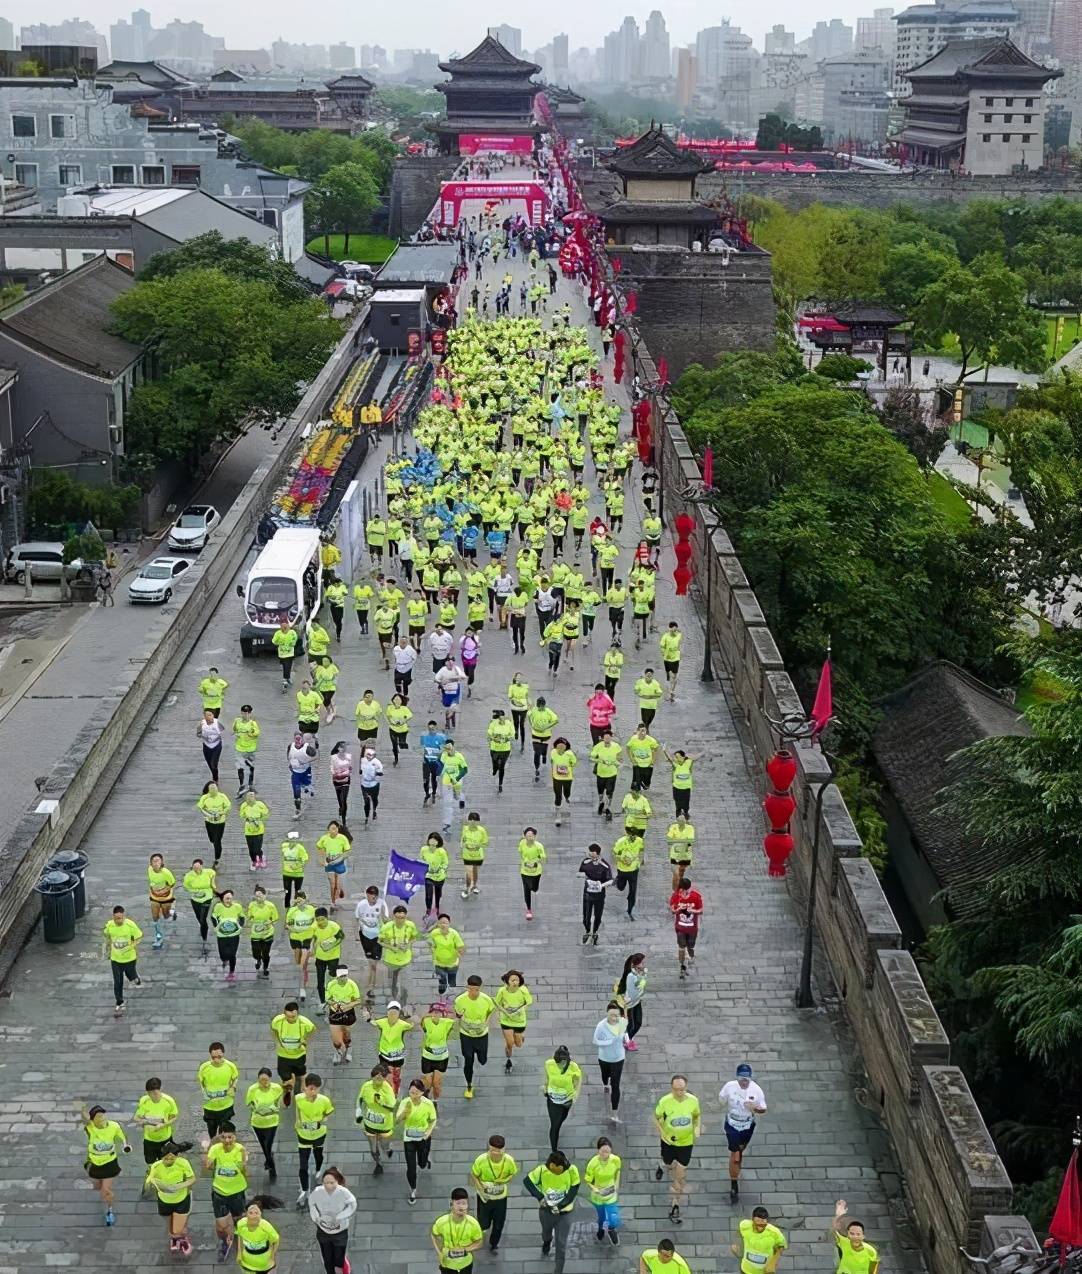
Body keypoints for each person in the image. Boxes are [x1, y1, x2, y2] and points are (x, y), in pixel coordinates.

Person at [653, 1074, 702, 1224]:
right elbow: (656, 1117)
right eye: (676, 1090)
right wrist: (662, 1133)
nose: (679, 1093)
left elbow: (697, 1116)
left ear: (686, 1088)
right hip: (668, 1143)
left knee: (679, 1175)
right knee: (669, 1164)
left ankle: (675, 1202)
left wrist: (697, 1128)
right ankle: (662, 1164)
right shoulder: (665, 1102)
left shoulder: (693, 1101)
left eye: (682, 1089)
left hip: (686, 1144)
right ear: (671, 1088)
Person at [524, 1151, 580, 1274]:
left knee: (561, 1245)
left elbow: (574, 1189)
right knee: (546, 1232)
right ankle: (546, 1242)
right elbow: (527, 1181)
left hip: (565, 1214)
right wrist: (540, 1197)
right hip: (546, 1212)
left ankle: (558, 1270)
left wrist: (561, 1205)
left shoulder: (572, 1170)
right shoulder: (541, 1170)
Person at [720, 1063, 768, 1202]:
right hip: (732, 1124)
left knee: (741, 1149)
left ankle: (737, 1157)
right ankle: (734, 1183)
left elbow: (763, 1109)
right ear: (737, 1077)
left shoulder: (756, 1090)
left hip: (747, 1125)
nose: (744, 1081)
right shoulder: (729, 1087)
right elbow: (721, 1099)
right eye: (741, 1078)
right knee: (735, 1154)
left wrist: (755, 1108)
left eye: (747, 1079)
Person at [81, 1103, 130, 1225]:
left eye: (103, 1116)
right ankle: (103, 1190)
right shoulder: (90, 1128)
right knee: (97, 1187)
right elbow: (84, 1117)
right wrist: (81, 1106)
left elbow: (122, 1138)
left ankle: (109, 1210)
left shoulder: (114, 1126)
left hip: (110, 1163)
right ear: (93, 1120)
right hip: (94, 1164)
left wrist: (125, 1145)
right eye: (98, 1117)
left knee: (105, 1190)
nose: (102, 1119)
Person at [144, 1141, 197, 1254]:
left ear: (177, 1156)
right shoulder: (156, 1166)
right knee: (170, 1226)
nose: (168, 1161)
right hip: (164, 1200)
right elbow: (149, 1180)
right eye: (165, 1159)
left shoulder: (183, 1163)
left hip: (181, 1199)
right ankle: (174, 1239)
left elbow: (192, 1179)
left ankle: (182, 1239)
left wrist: (179, 1186)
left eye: (171, 1159)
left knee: (179, 1228)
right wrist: (153, 1183)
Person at [205, 1123, 248, 1260]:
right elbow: (208, 1165)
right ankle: (225, 1240)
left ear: (235, 1136)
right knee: (222, 1225)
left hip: (237, 1192)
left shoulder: (240, 1149)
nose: (228, 1140)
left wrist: (242, 1164)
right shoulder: (215, 1149)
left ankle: (239, 1233)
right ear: (220, 1137)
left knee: (239, 1218)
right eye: (224, 1137)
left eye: (230, 1137)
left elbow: (243, 1168)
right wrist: (210, 1161)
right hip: (219, 1192)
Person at [470, 1134, 518, 1254]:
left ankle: (494, 1243)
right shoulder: (481, 1160)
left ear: (504, 1149)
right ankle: (480, 1233)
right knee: (483, 1222)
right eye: (493, 1150)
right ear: (489, 1148)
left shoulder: (509, 1160)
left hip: (500, 1197)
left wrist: (504, 1180)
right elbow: (474, 1175)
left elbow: (512, 1173)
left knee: (499, 1223)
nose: (496, 1153)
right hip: (484, 1196)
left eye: (498, 1151)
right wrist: (480, 1187)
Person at [294, 1073, 334, 1204]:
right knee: (303, 1166)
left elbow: (328, 1113)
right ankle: (304, 1190)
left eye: (316, 1088)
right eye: (310, 1088)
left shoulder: (324, 1100)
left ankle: (318, 1170)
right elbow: (297, 1112)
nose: (313, 1091)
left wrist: (322, 1121)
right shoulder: (298, 1098)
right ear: (305, 1087)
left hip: (318, 1134)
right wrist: (298, 1122)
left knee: (318, 1155)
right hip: (303, 1135)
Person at [397, 1078, 438, 1204]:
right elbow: (397, 1120)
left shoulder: (428, 1104)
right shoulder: (405, 1102)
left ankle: (425, 1160)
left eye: (416, 1093)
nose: (413, 1095)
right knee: (411, 1167)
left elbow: (433, 1120)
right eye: (411, 1092)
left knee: (421, 1163)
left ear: (422, 1093)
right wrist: (405, 1112)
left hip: (423, 1137)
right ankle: (413, 1189)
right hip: (409, 1138)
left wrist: (428, 1133)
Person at [455, 974, 496, 1100]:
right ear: (467, 987)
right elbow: (458, 1014)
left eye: (476, 989)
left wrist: (486, 1022)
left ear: (480, 988)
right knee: (468, 1059)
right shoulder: (460, 1000)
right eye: (471, 989)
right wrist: (460, 1017)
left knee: (482, 1059)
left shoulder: (486, 1000)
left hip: (481, 1034)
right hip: (466, 1034)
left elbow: (491, 1011)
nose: (473, 992)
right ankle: (469, 1085)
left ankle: (481, 1056)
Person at [309, 1167, 356, 1274]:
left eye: (331, 1182)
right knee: (327, 1258)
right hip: (323, 1231)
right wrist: (316, 1217)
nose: (328, 1186)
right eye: (326, 1182)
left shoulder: (344, 1193)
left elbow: (353, 1205)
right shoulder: (317, 1192)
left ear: (337, 1182)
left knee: (339, 1258)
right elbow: (312, 1205)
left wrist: (341, 1216)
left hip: (340, 1232)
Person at [364, 998, 415, 1095]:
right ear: (388, 1012)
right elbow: (374, 1023)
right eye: (391, 1012)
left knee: (396, 1075)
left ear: (398, 1013)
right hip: (384, 1055)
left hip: (398, 1056)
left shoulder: (402, 1024)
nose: (393, 1014)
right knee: (389, 1076)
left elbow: (412, 1025)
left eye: (395, 1012)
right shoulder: (382, 1022)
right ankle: (391, 1094)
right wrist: (368, 1018)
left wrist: (410, 1016)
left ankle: (395, 1088)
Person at [431, 1187, 484, 1274]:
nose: (461, 1207)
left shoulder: (473, 1224)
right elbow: (434, 1235)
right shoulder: (442, 1222)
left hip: (466, 1264)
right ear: (451, 1204)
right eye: (458, 1203)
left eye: (464, 1203)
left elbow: (479, 1242)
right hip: (447, 1264)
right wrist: (439, 1253)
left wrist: (465, 1250)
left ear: (467, 1205)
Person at [356, 1063, 397, 1175]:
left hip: (385, 1125)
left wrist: (381, 1103)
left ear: (384, 1078)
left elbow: (392, 1106)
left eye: (381, 1076)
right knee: (373, 1147)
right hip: (370, 1124)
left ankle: (387, 1149)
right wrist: (358, 1113)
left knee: (384, 1145)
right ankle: (378, 1163)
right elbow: (360, 1100)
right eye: (376, 1076)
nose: (378, 1078)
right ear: (372, 1076)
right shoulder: (366, 1086)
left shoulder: (387, 1089)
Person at [593, 1001, 629, 1123]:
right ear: (607, 1013)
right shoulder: (601, 1026)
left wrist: (626, 1040)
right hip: (604, 1058)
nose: (614, 1018)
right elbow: (595, 1041)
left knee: (616, 1085)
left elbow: (625, 1034)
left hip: (618, 1058)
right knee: (605, 1076)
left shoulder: (622, 1023)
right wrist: (609, 1042)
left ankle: (615, 1113)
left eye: (616, 1015)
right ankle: (605, 1084)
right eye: (611, 1015)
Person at [542, 1044, 582, 1153]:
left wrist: (575, 1096)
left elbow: (578, 1082)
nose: (561, 1065)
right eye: (559, 1062)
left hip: (567, 1100)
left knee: (563, 1117)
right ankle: (554, 1149)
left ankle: (558, 1124)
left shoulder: (573, 1067)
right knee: (555, 1125)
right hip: (553, 1100)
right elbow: (547, 1078)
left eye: (563, 1062)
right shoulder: (549, 1064)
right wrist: (545, 1088)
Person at [245, 1067, 283, 1178]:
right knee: (263, 1145)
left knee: (268, 1144)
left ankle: (270, 1165)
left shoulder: (277, 1088)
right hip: (257, 1122)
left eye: (266, 1080)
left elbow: (280, 1103)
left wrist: (272, 1108)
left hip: (272, 1121)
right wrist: (256, 1108)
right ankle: (269, 1159)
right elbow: (249, 1103)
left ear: (270, 1079)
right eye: (261, 1080)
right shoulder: (253, 1089)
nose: (263, 1082)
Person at [585, 1136, 622, 1246]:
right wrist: (595, 1189)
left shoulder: (616, 1160)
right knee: (600, 1217)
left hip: (611, 1192)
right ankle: (600, 1228)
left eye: (608, 1151)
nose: (606, 1154)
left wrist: (616, 1185)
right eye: (603, 1151)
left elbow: (618, 1172)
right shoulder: (593, 1163)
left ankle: (611, 1229)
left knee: (614, 1217)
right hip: (598, 1195)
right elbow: (588, 1180)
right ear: (598, 1151)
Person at [134, 1077, 179, 1164]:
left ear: (160, 1090)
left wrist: (163, 1125)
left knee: (166, 1160)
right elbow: (137, 1117)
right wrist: (141, 1121)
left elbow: (174, 1118)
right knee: (150, 1161)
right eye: (150, 1093)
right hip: (149, 1139)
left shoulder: (169, 1101)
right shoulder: (144, 1100)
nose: (153, 1096)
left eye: (155, 1093)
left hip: (165, 1138)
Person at [354, 884, 388, 999]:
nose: (373, 897)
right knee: (370, 962)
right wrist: (356, 934)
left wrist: (383, 914)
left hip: (377, 937)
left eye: (375, 895)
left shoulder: (382, 904)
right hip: (365, 936)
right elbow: (357, 919)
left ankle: (371, 987)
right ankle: (370, 985)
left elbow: (386, 921)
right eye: (371, 894)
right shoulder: (361, 905)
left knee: (374, 964)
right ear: (367, 895)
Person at [380, 905, 418, 1004]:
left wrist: (408, 945)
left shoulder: (411, 925)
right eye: (398, 918)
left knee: (405, 984)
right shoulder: (386, 927)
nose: (400, 920)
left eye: (402, 918)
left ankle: (404, 1004)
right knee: (393, 982)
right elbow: (380, 941)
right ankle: (394, 1001)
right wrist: (391, 947)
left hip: (406, 960)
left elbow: (414, 937)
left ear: (406, 917)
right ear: (394, 917)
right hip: (391, 960)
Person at [419, 1001, 456, 1104]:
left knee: (436, 1084)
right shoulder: (427, 1022)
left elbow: (456, 1016)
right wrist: (428, 1014)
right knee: (428, 1082)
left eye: (438, 1012)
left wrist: (447, 1009)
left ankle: (435, 1101)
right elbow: (421, 1021)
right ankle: (425, 1094)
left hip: (442, 1057)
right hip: (427, 1056)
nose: (436, 1015)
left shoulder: (446, 1022)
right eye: (434, 1012)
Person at [578, 842, 614, 945]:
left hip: (599, 895)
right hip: (587, 894)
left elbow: (611, 880)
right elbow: (579, 872)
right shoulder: (585, 862)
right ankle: (588, 931)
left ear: (597, 854)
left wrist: (601, 885)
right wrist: (584, 876)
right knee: (586, 916)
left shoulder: (605, 865)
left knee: (598, 916)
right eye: (590, 852)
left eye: (592, 852)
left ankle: (595, 932)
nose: (590, 854)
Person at [733, 1206, 787, 1273]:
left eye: (763, 1225)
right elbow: (739, 1232)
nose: (760, 1228)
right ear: (752, 1220)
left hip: (765, 1271)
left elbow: (781, 1246)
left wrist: (773, 1262)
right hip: (746, 1270)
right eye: (757, 1225)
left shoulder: (775, 1233)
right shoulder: (744, 1225)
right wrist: (736, 1243)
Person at [831, 1199, 879, 1274]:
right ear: (848, 1235)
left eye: (858, 1234)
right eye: (852, 1234)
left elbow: (873, 1269)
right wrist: (839, 1215)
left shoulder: (871, 1251)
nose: (855, 1237)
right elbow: (836, 1229)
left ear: (863, 1236)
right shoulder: (845, 1243)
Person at [325, 966, 361, 1064]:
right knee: (335, 1038)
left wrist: (347, 1006)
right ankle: (338, 1052)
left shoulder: (352, 985)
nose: (343, 978)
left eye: (345, 976)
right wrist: (334, 1005)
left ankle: (349, 1048)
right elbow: (328, 999)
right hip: (335, 1013)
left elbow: (358, 1000)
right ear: (337, 977)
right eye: (341, 976)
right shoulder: (331, 985)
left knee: (346, 1034)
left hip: (348, 1013)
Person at [669, 878, 704, 979]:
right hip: (680, 927)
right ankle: (682, 966)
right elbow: (672, 910)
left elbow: (701, 910)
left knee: (690, 946)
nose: (686, 892)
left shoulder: (696, 896)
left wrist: (692, 910)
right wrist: (678, 909)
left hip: (692, 928)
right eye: (684, 890)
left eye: (687, 890)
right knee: (681, 946)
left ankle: (689, 958)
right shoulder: (676, 896)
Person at [312, 907, 346, 1010]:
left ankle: (333, 996)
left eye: (322, 919)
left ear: (327, 918)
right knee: (320, 981)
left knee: (332, 977)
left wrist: (331, 946)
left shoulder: (334, 927)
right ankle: (322, 1002)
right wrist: (313, 950)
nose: (320, 922)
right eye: (318, 920)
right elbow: (314, 940)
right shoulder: (314, 927)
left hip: (333, 956)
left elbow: (341, 937)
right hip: (320, 957)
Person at [285, 891, 316, 1002]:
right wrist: (293, 929)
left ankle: (302, 987)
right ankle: (302, 971)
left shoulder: (311, 909)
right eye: (297, 899)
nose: (300, 901)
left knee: (303, 964)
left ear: (305, 899)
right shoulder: (292, 911)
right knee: (298, 962)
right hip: (295, 938)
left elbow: (315, 922)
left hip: (307, 938)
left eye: (302, 898)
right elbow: (287, 924)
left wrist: (310, 929)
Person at [427, 912, 465, 998]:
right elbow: (429, 943)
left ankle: (452, 995)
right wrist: (433, 950)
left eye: (446, 923)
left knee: (452, 981)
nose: (443, 925)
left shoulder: (454, 933)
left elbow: (460, 946)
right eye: (441, 923)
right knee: (442, 978)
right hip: (438, 963)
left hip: (452, 963)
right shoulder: (434, 933)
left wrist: (460, 953)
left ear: (449, 924)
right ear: (438, 924)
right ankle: (442, 988)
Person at [235, 1202, 279, 1274]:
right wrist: (239, 1253)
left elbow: (276, 1240)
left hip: (264, 1260)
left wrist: (272, 1255)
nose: (254, 1209)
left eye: (256, 1212)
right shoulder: (241, 1224)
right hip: (247, 1259)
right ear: (246, 1214)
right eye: (251, 1212)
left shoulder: (266, 1226)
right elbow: (240, 1236)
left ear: (260, 1215)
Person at [210, 888, 244, 980]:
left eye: (231, 898)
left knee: (232, 954)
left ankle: (231, 972)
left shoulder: (237, 906)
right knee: (223, 954)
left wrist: (240, 926)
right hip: (222, 935)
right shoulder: (218, 907)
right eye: (227, 899)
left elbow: (242, 917)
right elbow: (213, 917)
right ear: (222, 899)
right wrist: (216, 927)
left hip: (234, 935)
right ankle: (224, 960)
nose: (229, 901)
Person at [317, 820, 351, 909]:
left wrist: (341, 857)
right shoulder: (324, 838)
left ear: (338, 829)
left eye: (335, 829)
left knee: (337, 882)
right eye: (331, 829)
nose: (333, 831)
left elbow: (347, 851)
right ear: (328, 830)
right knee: (332, 883)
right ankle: (333, 902)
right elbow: (319, 848)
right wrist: (322, 860)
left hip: (339, 862)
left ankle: (339, 891)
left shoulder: (343, 838)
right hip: (329, 863)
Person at [182, 857, 216, 947]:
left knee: (203, 918)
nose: (196, 869)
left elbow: (213, 874)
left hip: (207, 897)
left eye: (198, 867)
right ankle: (202, 926)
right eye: (194, 867)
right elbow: (186, 887)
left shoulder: (208, 872)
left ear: (202, 866)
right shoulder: (188, 876)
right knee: (198, 916)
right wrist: (194, 891)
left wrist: (213, 884)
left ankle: (204, 937)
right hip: (195, 898)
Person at [616, 953, 647, 1050]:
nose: (643, 964)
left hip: (636, 1001)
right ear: (636, 964)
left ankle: (628, 1039)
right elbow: (633, 992)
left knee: (638, 1023)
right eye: (642, 963)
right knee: (630, 1024)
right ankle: (627, 1041)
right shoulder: (630, 976)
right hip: (628, 1004)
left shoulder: (637, 973)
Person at [247, 885, 279, 977]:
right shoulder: (252, 905)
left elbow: (275, 918)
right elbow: (249, 917)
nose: (258, 898)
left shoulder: (270, 906)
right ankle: (258, 959)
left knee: (265, 953)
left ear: (265, 895)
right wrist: (253, 921)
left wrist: (269, 922)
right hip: (255, 933)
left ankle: (265, 967)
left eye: (260, 895)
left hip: (267, 933)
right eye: (256, 896)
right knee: (255, 953)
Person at [613, 830, 645, 920]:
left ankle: (630, 910)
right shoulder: (621, 842)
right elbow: (615, 854)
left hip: (634, 870)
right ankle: (618, 879)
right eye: (631, 835)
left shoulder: (640, 841)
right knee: (621, 887)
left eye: (634, 835)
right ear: (627, 834)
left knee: (633, 891)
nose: (633, 837)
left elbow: (641, 851)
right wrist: (622, 859)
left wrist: (641, 860)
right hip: (622, 869)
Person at [145, 853, 175, 951]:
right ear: (150, 863)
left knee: (166, 916)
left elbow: (172, 883)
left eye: (158, 860)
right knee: (155, 918)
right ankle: (159, 938)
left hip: (166, 897)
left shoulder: (166, 873)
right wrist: (153, 889)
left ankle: (172, 911)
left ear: (162, 862)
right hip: (154, 897)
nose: (156, 862)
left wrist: (163, 890)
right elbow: (151, 881)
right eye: (154, 861)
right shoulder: (149, 870)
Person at [198, 780, 231, 865]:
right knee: (211, 839)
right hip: (209, 822)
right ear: (208, 789)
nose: (213, 789)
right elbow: (201, 807)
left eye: (215, 787)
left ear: (217, 788)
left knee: (217, 840)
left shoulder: (222, 796)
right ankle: (214, 843)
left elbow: (228, 806)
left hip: (220, 822)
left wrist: (220, 813)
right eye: (211, 788)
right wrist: (209, 815)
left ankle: (217, 857)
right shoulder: (204, 797)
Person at [439, 739, 469, 834]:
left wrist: (456, 778)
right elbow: (440, 768)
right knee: (447, 803)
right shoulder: (443, 756)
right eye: (447, 748)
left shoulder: (459, 756)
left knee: (457, 796)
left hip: (457, 781)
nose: (449, 750)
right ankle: (447, 824)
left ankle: (461, 798)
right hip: (446, 783)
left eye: (450, 748)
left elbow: (465, 770)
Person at [231, 703, 260, 795]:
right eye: (243, 713)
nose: (244, 715)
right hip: (239, 748)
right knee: (240, 768)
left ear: (250, 713)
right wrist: (236, 734)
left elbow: (257, 733)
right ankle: (242, 785)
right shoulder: (237, 721)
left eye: (247, 713)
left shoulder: (253, 724)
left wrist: (250, 733)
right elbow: (234, 729)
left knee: (250, 767)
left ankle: (250, 785)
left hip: (250, 749)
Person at [239, 789, 270, 871]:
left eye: (252, 795)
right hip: (248, 830)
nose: (251, 797)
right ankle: (253, 861)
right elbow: (242, 815)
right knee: (251, 849)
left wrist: (259, 820)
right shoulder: (244, 805)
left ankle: (260, 856)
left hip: (259, 829)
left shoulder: (260, 804)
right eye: (249, 795)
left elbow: (266, 814)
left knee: (257, 848)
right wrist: (248, 819)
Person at [287, 734, 317, 819]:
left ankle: (308, 787)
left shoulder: (307, 748)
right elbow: (288, 755)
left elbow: (316, 756)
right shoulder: (291, 746)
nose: (298, 741)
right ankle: (298, 809)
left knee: (307, 786)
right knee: (296, 792)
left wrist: (304, 762)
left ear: (302, 740)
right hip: (296, 774)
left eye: (299, 739)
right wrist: (290, 764)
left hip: (306, 772)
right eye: (296, 739)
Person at [550, 737, 577, 827]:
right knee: (557, 795)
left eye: (563, 746)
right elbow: (552, 760)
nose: (560, 748)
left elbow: (574, 763)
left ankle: (566, 796)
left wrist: (568, 765)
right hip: (556, 778)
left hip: (567, 778)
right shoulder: (553, 752)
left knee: (566, 792)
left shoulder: (570, 754)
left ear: (566, 747)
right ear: (556, 747)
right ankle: (558, 815)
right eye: (559, 746)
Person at [486, 709, 514, 792]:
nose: (501, 720)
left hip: (505, 749)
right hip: (495, 748)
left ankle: (500, 783)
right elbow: (489, 733)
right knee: (495, 762)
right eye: (499, 718)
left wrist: (506, 738)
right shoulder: (493, 724)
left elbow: (512, 734)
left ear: (504, 717)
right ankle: (494, 769)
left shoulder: (509, 724)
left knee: (502, 766)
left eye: (502, 718)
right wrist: (493, 737)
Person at [627, 724, 660, 792]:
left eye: (644, 731)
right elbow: (628, 748)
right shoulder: (633, 739)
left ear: (646, 731)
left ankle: (642, 783)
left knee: (646, 786)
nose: (642, 733)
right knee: (635, 786)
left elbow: (656, 749)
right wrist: (632, 760)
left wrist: (653, 761)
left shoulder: (651, 740)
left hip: (648, 765)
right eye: (640, 731)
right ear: (637, 731)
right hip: (637, 765)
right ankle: (636, 792)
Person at [421, 720, 447, 806]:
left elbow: (446, 748)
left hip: (435, 762)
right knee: (425, 780)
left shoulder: (441, 738)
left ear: (436, 728)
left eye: (433, 729)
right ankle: (427, 793)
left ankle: (434, 793)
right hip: (426, 761)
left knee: (434, 778)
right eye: (429, 729)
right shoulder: (424, 737)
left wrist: (440, 752)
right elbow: (420, 748)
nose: (431, 730)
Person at [667, 814, 695, 891]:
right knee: (675, 875)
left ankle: (681, 887)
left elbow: (691, 841)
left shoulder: (690, 828)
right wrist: (683, 841)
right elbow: (669, 840)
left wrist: (677, 840)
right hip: (675, 854)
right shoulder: (673, 827)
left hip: (685, 855)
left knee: (681, 872)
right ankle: (675, 891)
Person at [272, 617, 299, 690]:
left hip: (290, 653)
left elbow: (295, 639)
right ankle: (288, 677)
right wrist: (280, 643)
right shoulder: (278, 633)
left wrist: (291, 644)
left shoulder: (292, 632)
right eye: (282, 626)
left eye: (285, 626)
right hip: (282, 653)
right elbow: (274, 641)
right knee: (285, 666)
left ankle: (285, 679)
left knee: (288, 666)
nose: (284, 628)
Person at [387, 692, 413, 765]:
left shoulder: (404, 708)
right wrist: (392, 721)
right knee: (394, 744)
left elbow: (410, 715)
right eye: (395, 699)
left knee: (402, 744)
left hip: (403, 730)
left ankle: (402, 743)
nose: (397, 701)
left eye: (399, 699)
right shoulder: (390, 707)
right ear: (393, 700)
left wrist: (403, 720)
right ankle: (396, 759)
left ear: (401, 701)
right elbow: (388, 716)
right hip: (392, 729)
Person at [329, 741, 352, 822]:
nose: (342, 749)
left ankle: (344, 817)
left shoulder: (349, 757)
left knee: (344, 799)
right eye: (341, 747)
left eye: (344, 748)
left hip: (346, 780)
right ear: (338, 748)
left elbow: (351, 767)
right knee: (339, 799)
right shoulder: (333, 757)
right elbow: (331, 767)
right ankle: (341, 809)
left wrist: (349, 771)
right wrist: (334, 773)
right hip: (336, 780)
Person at [198, 708, 224, 782]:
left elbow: (223, 732)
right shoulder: (201, 724)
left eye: (210, 715)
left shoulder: (218, 723)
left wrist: (217, 737)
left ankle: (215, 778)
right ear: (204, 716)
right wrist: (204, 736)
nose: (208, 717)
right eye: (206, 715)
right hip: (206, 746)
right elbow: (198, 734)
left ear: (213, 715)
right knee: (209, 763)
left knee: (213, 764)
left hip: (216, 746)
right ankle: (214, 774)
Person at [359, 747, 384, 824]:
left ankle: (374, 810)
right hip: (364, 785)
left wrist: (376, 774)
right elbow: (360, 771)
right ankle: (366, 817)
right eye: (368, 755)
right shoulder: (362, 761)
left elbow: (380, 773)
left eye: (371, 755)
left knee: (374, 799)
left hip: (374, 785)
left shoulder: (377, 763)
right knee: (366, 802)